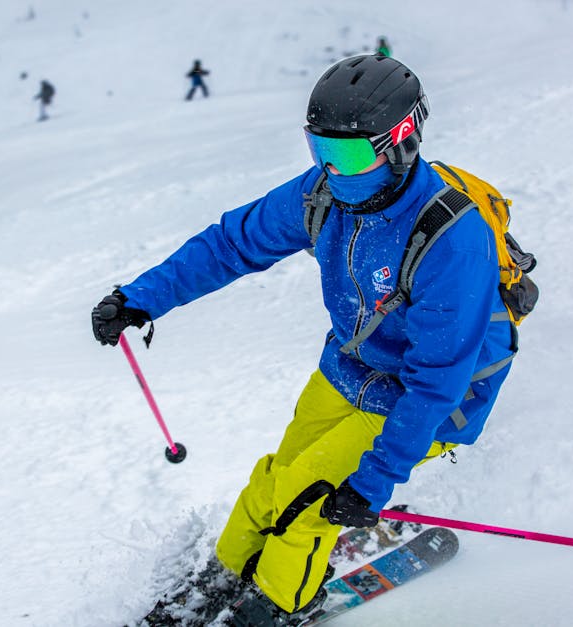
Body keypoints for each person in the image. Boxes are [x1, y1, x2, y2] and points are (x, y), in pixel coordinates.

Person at [93, 55, 518, 624]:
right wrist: (141, 299)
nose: (331, 170)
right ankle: (225, 577)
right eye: (319, 151)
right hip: (352, 367)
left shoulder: (450, 237)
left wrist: (373, 481)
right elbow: (230, 245)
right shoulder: (323, 194)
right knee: (274, 480)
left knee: (304, 503)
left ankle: (279, 604)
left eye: (346, 155)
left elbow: (438, 382)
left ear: (401, 143)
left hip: (436, 399)